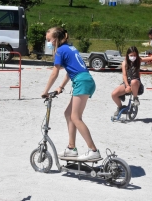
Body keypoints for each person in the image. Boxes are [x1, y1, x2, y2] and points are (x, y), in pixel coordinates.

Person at [41, 27, 101, 160]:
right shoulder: (70, 48)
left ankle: (93, 150)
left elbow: (54, 72)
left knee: (75, 117)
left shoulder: (60, 50)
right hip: (85, 80)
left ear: (55, 39)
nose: (48, 43)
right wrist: (60, 87)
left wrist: (45, 91)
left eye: (49, 40)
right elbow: (70, 70)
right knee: (68, 114)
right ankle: (71, 148)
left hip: (82, 82)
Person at [111, 46, 141, 116]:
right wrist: (127, 86)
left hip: (136, 83)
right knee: (114, 94)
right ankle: (120, 107)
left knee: (133, 81)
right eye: (131, 55)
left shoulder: (138, 60)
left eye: (135, 55)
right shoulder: (124, 63)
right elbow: (124, 75)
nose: (133, 57)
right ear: (127, 55)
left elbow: (151, 58)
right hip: (127, 83)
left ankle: (135, 98)